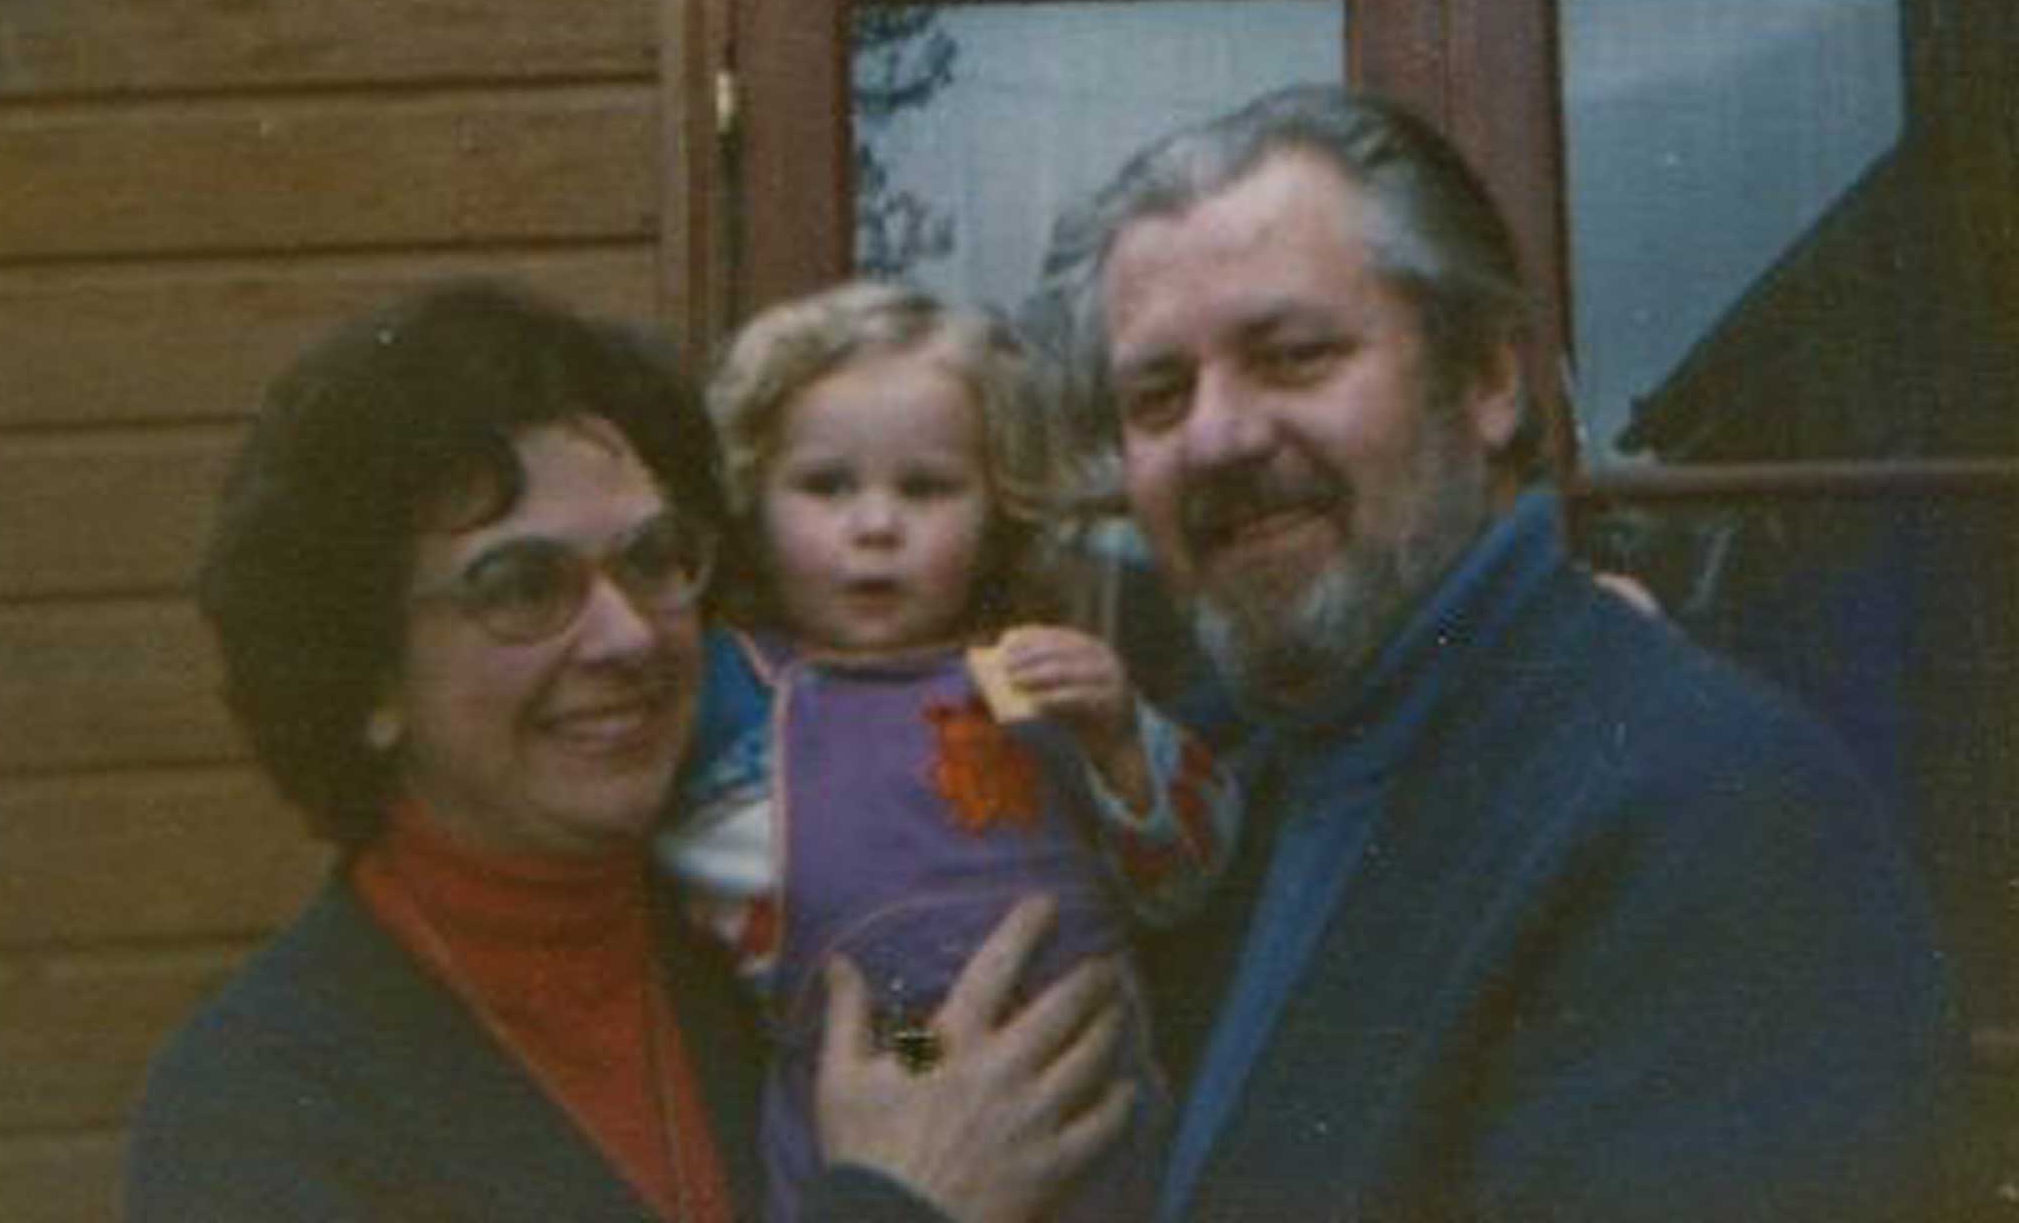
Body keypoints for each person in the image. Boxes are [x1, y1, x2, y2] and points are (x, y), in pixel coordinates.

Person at [1033, 85, 1965, 1222]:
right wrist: (906, 1138)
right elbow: (917, 1012)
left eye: (1292, 356)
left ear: (1486, 380)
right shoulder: (1202, 793)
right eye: (1158, 394)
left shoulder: (1706, 820)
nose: (1217, 436)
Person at [125, 279, 1134, 1223]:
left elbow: (882, 1053)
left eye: (652, 562)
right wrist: (895, 1203)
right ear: (367, 676)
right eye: (521, 586)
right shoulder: (264, 1099)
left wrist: (932, 1086)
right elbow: (901, 1174)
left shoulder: (737, 918)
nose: (628, 636)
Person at [655, 280, 1240, 1223]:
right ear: (753, 502)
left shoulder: (1030, 673)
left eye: (926, 487)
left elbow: (1190, 880)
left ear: (995, 508)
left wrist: (1123, 739)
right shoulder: (734, 691)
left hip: (1099, 1104)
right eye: (826, 485)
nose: (876, 525)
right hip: (893, 1075)